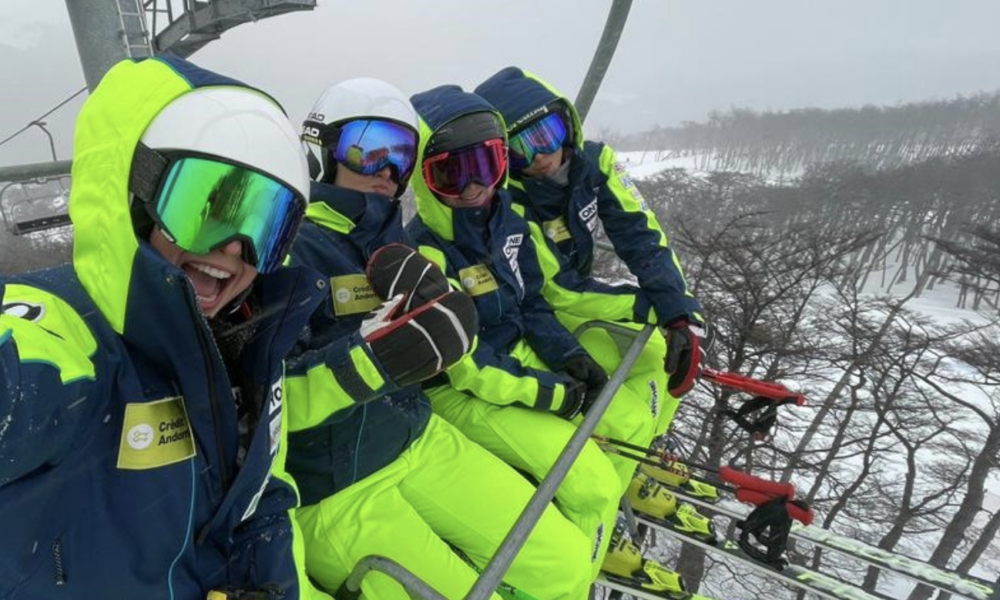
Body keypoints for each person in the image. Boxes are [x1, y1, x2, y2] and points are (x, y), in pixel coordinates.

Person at [0, 56, 457, 600]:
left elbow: (260, 496)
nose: (235, 250)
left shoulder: (247, 342)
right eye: (205, 206)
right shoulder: (62, 334)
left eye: (264, 224)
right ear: (136, 194)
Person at [286, 78, 592, 600]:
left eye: (401, 155)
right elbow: (260, 399)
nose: (386, 170)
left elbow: (459, 337)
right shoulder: (290, 246)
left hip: (418, 435)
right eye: (367, 149)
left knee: (564, 565)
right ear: (322, 150)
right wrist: (369, 358)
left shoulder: (396, 241)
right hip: (341, 486)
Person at [404, 84, 688, 597]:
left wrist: (569, 356)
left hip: (516, 364)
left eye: (485, 169)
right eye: (451, 173)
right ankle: (564, 570)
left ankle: (595, 538)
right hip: (463, 389)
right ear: (425, 180)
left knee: (624, 420)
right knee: (591, 481)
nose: (472, 189)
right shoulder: (425, 252)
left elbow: (533, 303)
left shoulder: (505, 222)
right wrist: (548, 390)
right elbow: (465, 363)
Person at [474, 67, 709, 438]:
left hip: (574, 298)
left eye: (546, 135)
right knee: (632, 382)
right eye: (519, 148)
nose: (539, 155)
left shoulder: (594, 164)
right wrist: (649, 307)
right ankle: (624, 451)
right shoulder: (510, 201)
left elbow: (641, 234)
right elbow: (555, 289)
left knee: (667, 359)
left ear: (566, 123)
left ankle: (652, 448)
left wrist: (677, 309)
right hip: (536, 310)